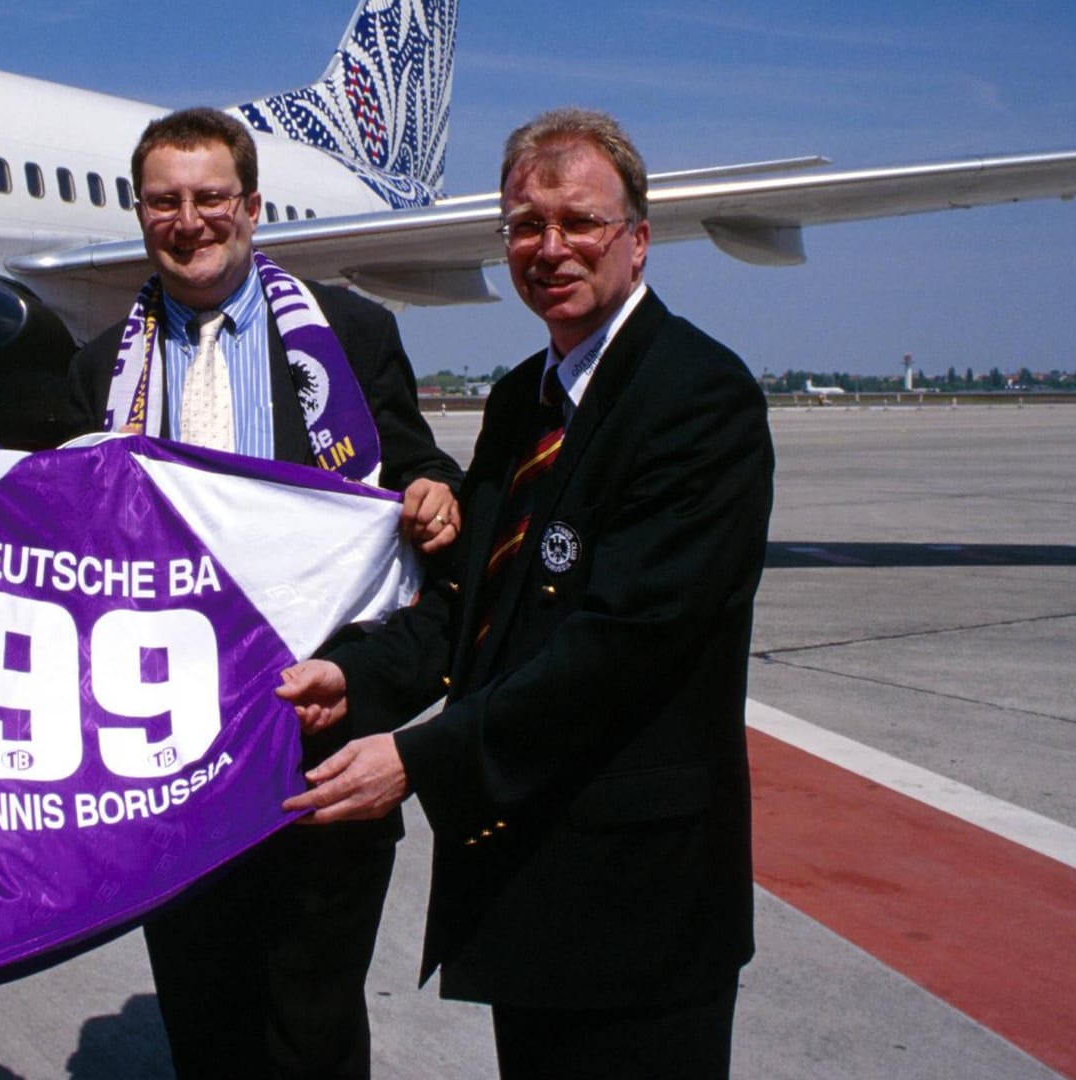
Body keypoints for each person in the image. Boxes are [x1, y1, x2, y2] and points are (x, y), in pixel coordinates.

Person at [279, 108, 775, 1078]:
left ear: (638, 238)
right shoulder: (520, 403)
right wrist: (356, 679)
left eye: (579, 222)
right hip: (528, 887)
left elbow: (618, 647)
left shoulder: (697, 398)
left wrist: (416, 757)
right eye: (524, 224)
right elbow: (477, 608)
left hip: (641, 908)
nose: (550, 248)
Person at [64, 106, 463, 1080]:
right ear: (140, 212)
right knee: (205, 1030)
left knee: (312, 1034)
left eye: (210, 199)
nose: (189, 221)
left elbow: (416, 516)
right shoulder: (95, 372)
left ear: (250, 209)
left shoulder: (351, 338)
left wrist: (438, 496)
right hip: (168, 764)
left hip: (313, 759)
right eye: (165, 201)